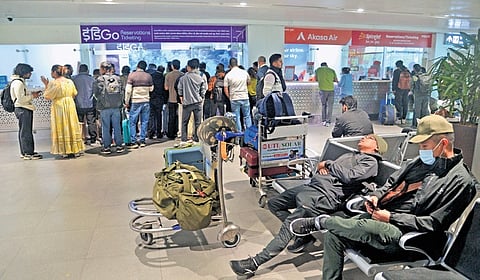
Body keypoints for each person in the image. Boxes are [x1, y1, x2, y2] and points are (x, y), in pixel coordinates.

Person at [289, 115, 478, 280]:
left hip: (405, 233)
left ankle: (322, 222)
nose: (421, 150)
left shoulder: (461, 181)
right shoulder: (419, 162)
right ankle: (327, 229)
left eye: (425, 145)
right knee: (334, 235)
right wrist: (375, 197)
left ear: (443, 143)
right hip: (383, 215)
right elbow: (390, 183)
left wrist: (391, 217)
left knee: (362, 225)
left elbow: (434, 224)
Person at [230, 134, 388, 277]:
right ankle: (303, 235)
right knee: (274, 204)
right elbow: (329, 169)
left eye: (369, 138)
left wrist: (329, 164)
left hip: (324, 197)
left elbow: (349, 176)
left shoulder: (370, 162)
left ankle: (254, 263)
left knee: (289, 224)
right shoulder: (352, 154)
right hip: (313, 187)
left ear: (376, 147)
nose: (363, 138)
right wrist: (323, 168)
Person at [41, 65, 84, 158]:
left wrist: (46, 85)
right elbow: (74, 93)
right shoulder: (69, 82)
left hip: (59, 105)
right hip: (70, 104)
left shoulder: (54, 83)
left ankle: (64, 150)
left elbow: (47, 96)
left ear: (55, 72)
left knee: (62, 125)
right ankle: (75, 149)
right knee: (71, 124)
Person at [11, 63, 43, 160]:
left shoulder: (18, 82)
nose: (30, 74)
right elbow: (20, 99)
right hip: (23, 109)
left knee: (25, 131)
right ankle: (28, 153)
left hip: (22, 108)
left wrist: (30, 94)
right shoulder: (18, 83)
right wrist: (32, 96)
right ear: (24, 72)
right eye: (29, 72)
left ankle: (27, 151)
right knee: (26, 132)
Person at [94, 62, 124, 154]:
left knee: (106, 127)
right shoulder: (118, 78)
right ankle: (119, 146)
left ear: (103, 69)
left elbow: (96, 93)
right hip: (116, 106)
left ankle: (106, 147)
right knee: (117, 126)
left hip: (105, 107)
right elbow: (122, 91)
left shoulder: (100, 79)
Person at [124, 60, 154, 148]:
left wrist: (126, 102)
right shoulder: (148, 76)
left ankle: (133, 141)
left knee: (133, 122)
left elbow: (128, 91)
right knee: (144, 121)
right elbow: (151, 89)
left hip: (135, 101)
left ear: (137, 66)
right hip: (146, 101)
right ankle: (142, 140)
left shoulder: (132, 75)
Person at [177, 59, 205, 142]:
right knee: (198, 122)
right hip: (198, 103)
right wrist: (201, 97)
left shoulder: (183, 78)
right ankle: (197, 138)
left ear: (188, 67)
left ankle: (184, 139)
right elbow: (203, 90)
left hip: (187, 103)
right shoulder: (200, 78)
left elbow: (180, 89)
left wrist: (181, 98)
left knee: (184, 122)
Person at [224, 57, 251, 132]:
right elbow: (249, 82)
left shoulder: (228, 75)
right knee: (247, 116)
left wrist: (229, 97)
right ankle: (250, 133)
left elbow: (225, 89)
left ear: (230, 65)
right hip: (245, 97)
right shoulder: (244, 72)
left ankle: (239, 135)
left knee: (237, 117)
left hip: (234, 98)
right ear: (237, 64)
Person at [72, 64, 97, 146]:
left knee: (79, 122)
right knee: (91, 122)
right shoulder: (92, 79)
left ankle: (80, 138)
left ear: (79, 70)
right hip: (89, 104)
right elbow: (95, 92)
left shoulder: (74, 79)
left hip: (78, 104)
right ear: (87, 70)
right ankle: (93, 138)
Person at [315, 62, 338, 127]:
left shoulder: (318, 70)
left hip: (322, 90)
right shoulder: (332, 70)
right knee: (330, 106)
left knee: (324, 105)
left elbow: (316, 79)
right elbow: (335, 80)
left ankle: (323, 121)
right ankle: (328, 122)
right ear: (327, 65)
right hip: (331, 89)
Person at [164, 59, 183, 139]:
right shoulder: (182, 75)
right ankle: (178, 131)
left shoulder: (168, 75)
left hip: (171, 99)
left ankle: (171, 133)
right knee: (180, 117)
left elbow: (166, 88)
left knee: (171, 117)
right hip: (181, 99)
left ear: (172, 66)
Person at [148, 65, 166, 139]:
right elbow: (165, 90)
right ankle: (158, 132)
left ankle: (151, 132)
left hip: (152, 98)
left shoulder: (151, 76)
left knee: (151, 116)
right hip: (160, 98)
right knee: (159, 116)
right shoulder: (163, 77)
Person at [411, 64, 431, 128]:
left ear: (414, 69)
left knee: (417, 110)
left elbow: (412, 85)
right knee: (424, 110)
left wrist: (412, 91)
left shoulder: (415, 76)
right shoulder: (427, 76)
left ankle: (415, 124)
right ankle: (424, 124)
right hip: (426, 94)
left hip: (418, 94)